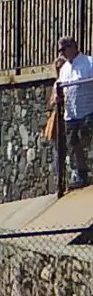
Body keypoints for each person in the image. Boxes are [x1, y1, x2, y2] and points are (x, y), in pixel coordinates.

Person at [56, 36, 93, 189]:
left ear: (73, 47)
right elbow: (58, 85)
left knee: (85, 138)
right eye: (60, 51)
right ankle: (81, 173)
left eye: (64, 49)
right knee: (73, 143)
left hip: (88, 110)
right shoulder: (64, 68)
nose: (62, 53)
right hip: (71, 114)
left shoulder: (89, 63)